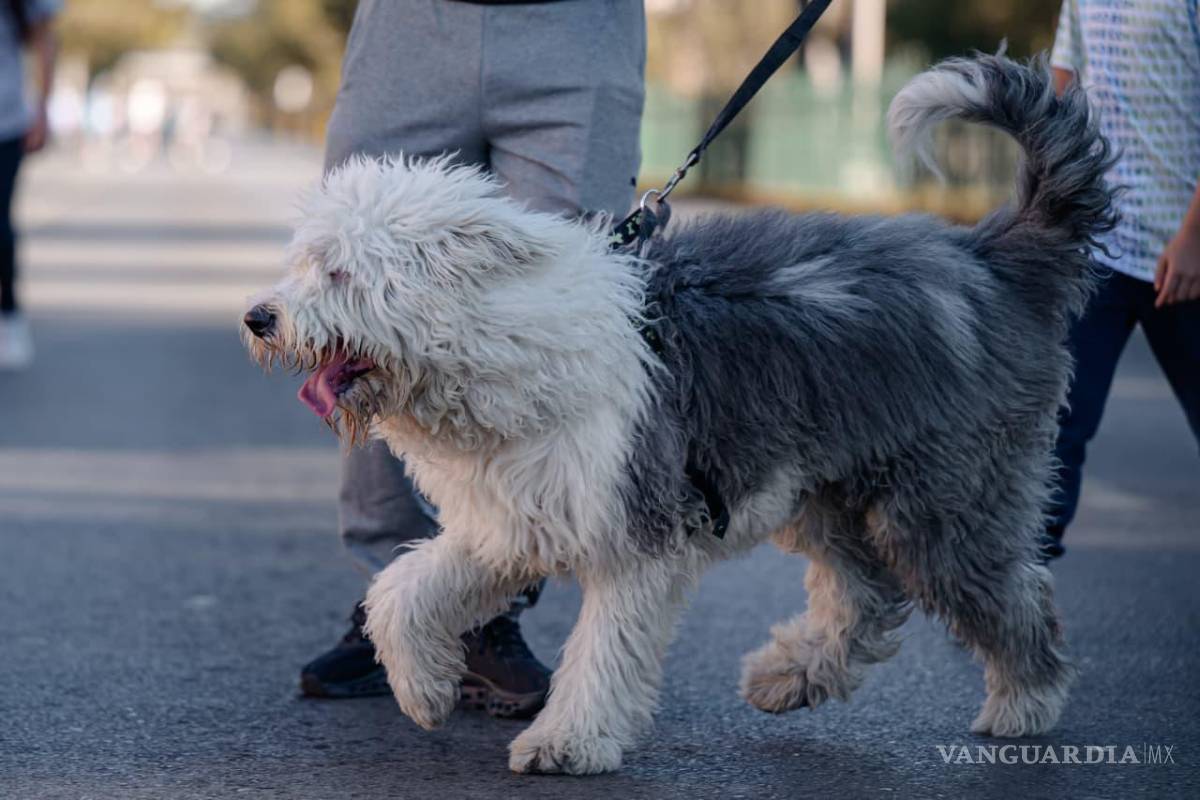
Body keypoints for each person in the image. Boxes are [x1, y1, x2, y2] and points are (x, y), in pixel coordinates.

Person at [299, 0, 646, 718]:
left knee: (553, 319)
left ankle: (488, 603)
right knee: (357, 303)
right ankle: (389, 594)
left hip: (581, 31)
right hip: (408, 29)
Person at [1045, 0, 1200, 559]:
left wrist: (1193, 237)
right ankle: (1015, 606)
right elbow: (1066, 82)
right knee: (1055, 431)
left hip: (1184, 254)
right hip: (1098, 247)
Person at [0, 0, 57, 369]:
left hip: (6, 122)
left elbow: (45, 39)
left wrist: (42, 107)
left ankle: (9, 313)